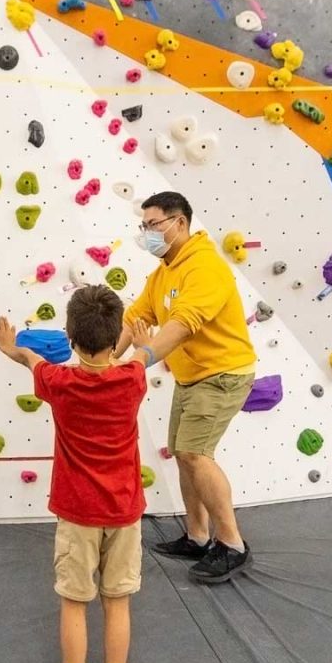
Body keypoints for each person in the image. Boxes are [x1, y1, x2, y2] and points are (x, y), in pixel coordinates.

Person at [0, 285, 155, 663]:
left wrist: (12, 347)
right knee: (117, 601)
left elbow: (33, 361)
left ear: (69, 335)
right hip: (124, 511)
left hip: (77, 512)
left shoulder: (57, 383)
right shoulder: (132, 379)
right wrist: (139, 341)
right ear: (114, 336)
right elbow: (143, 354)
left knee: (74, 604)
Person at [117, 191, 256, 583]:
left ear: (179, 223)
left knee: (196, 453)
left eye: (153, 225)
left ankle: (232, 545)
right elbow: (135, 316)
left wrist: (139, 360)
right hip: (191, 376)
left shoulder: (205, 267)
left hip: (222, 374)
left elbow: (181, 324)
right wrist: (109, 360)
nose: (146, 234)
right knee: (182, 453)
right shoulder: (165, 270)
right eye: (143, 226)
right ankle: (197, 536)